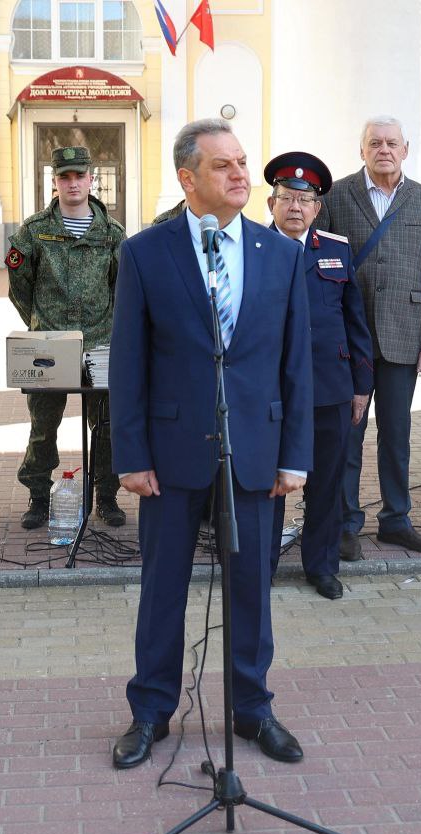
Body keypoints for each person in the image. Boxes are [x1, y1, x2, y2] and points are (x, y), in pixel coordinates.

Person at [108, 118, 312, 769]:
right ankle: (149, 712)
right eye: (223, 165)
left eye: (243, 163)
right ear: (187, 177)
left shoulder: (280, 253)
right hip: (170, 454)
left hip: (254, 449)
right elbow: (128, 362)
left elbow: (296, 363)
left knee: (251, 589)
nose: (240, 175)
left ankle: (252, 709)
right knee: (162, 587)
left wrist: (294, 455)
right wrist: (131, 456)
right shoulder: (145, 252)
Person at [315, 116, 421, 560]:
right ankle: (347, 521)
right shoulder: (335, 196)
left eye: (392, 143)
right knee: (348, 434)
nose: (384, 149)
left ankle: (397, 519)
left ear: (406, 150)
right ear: (362, 150)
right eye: (375, 143)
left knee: (397, 434)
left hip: (403, 334)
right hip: (349, 340)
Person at [263, 151, 373, 600]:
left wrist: (362, 387)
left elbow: (355, 321)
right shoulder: (253, 247)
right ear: (271, 203)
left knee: (327, 482)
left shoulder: (336, 249)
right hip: (269, 391)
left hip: (330, 386)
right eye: (286, 198)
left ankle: (322, 566)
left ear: (317, 207)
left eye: (303, 200)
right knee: (268, 483)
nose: (295, 207)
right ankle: (261, 564)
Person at [7, 146, 127, 530]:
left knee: (106, 426)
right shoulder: (34, 229)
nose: (72, 183)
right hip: (50, 344)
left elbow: (122, 287)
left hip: (101, 345)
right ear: (54, 182)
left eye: (79, 176)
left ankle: (106, 497)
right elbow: (18, 284)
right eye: (64, 177)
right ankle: (39, 497)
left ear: (92, 179)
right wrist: (39, 323)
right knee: (44, 426)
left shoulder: (111, 233)